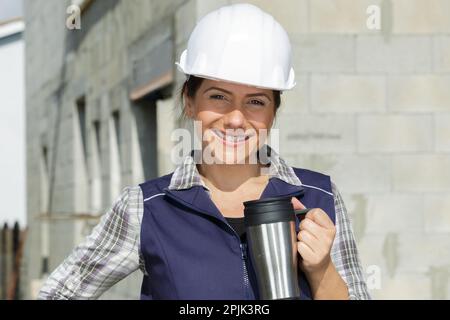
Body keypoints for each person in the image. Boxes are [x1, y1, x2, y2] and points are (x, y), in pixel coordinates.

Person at [38, 3, 370, 300]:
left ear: (273, 111)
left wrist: (321, 268)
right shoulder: (146, 208)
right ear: (189, 101)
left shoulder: (319, 197)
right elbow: (59, 293)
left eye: (256, 101)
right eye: (218, 96)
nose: (236, 119)